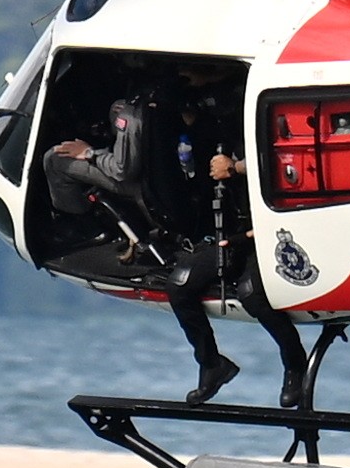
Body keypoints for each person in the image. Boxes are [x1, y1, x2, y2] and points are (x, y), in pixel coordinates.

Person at [44, 103, 239, 403]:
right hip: (192, 209)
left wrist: (91, 154)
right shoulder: (194, 113)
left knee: (53, 160)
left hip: (174, 208)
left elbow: (124, 170)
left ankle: (80, 228)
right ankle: (218, 364)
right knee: (183, 289)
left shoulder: (132, 110)